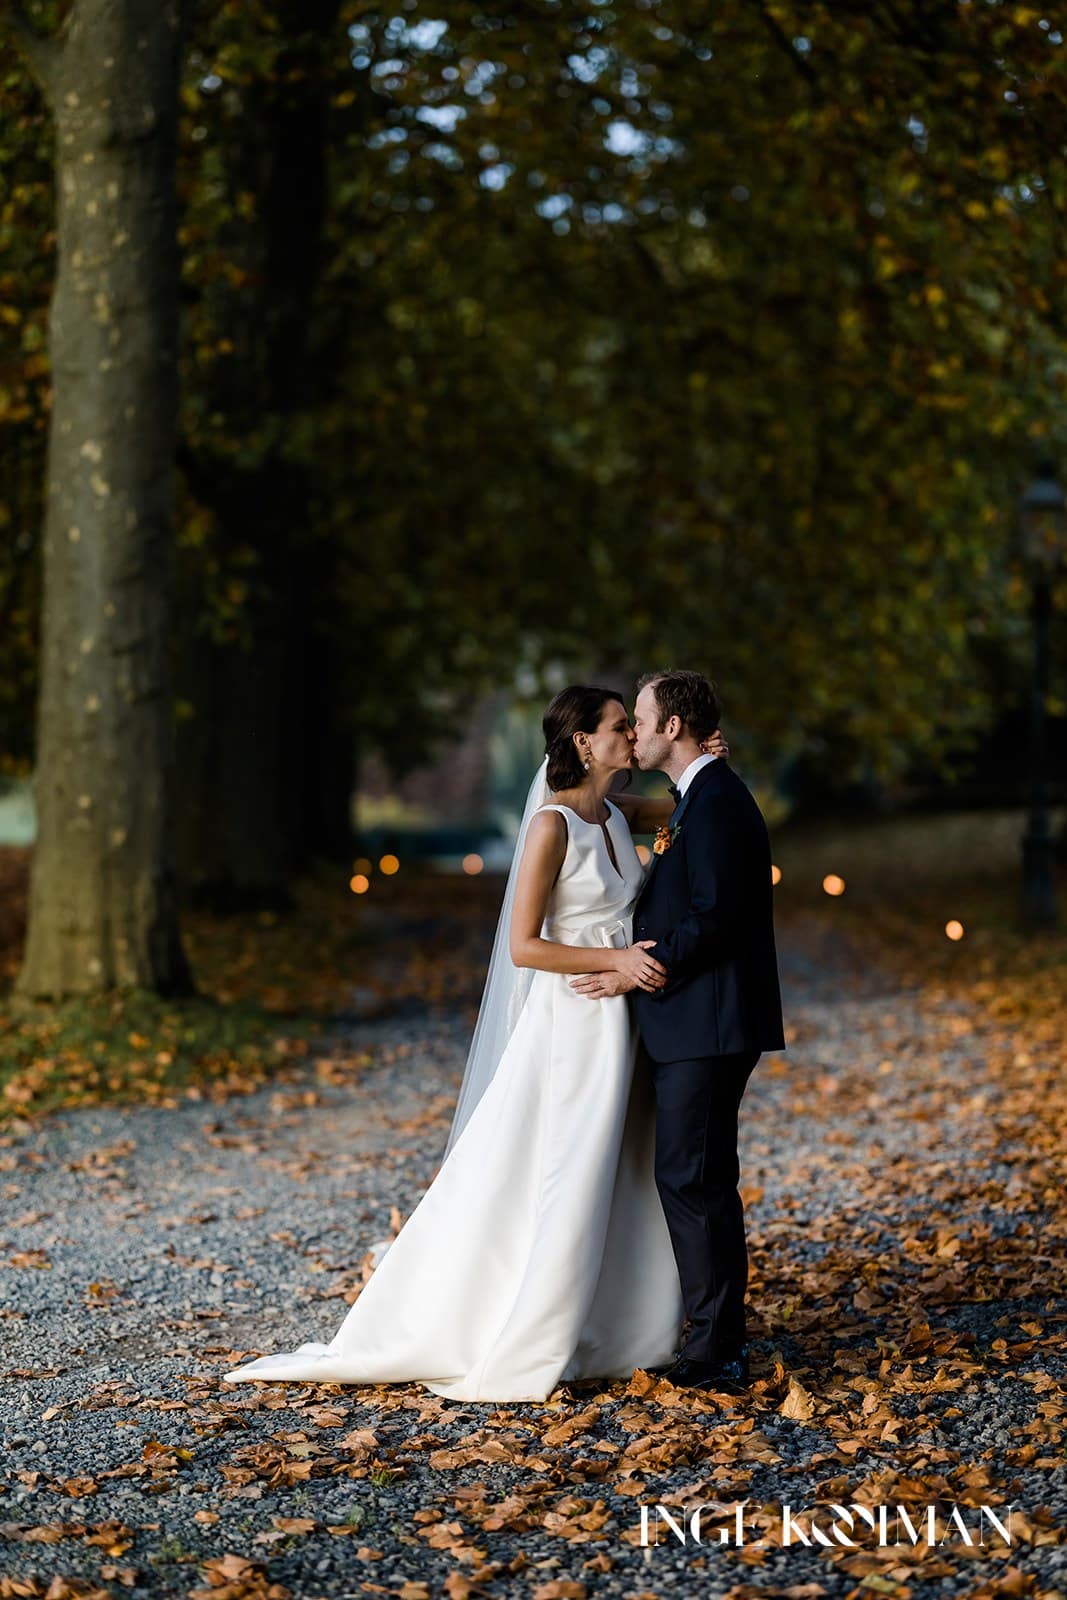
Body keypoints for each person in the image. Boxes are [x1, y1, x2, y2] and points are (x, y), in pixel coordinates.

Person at [224, 685, 727, 1402]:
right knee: (564, 1168)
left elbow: (692, 807)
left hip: (623, 1023)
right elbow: (524, 947)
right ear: (582, 742)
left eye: (631, 726)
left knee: (621, 1167)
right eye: (619, 727)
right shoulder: (551, 827)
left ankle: (614, 1324)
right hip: (572, 1026)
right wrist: (613, 960)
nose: (629, 737)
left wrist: (705, 760)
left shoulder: (617, 813)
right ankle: (526, 1326)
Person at [571, 670, 785, 1394]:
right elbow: (668, 840)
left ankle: (716, 1350)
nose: (633, 728)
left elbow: (714, 915)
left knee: (692, 1180)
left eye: (641, 717)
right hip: (699, 1021)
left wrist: (635, 968)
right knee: (697, 1178)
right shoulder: (697, 797)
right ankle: (712, 1334)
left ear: (672, 728)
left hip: (709, 1021)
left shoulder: (716, 800)